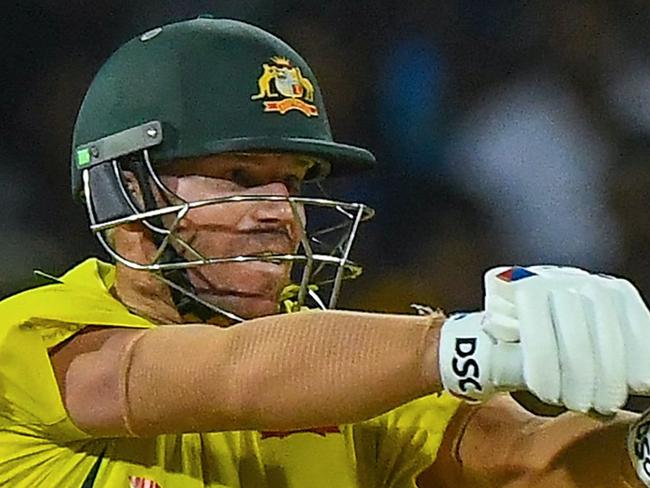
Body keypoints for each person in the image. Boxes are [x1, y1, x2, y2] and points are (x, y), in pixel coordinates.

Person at [1, 16, 650, 488]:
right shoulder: (31, 340)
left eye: (296, 181)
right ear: (124, 186)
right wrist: (466, 344)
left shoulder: (348, 368)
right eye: (241, 177)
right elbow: (230, 374)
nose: (280, 211)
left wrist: (640, 449)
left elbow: (523, 457)